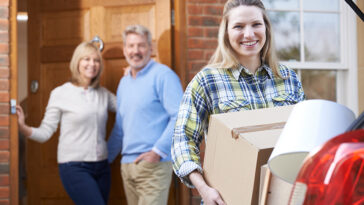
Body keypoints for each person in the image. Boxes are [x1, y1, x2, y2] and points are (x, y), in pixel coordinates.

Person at [171, 0, 305, 204]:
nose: (249, 34)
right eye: (239, 26)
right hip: (227, 199)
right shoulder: (207, 81)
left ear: (266, 28)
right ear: (226, 32)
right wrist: (204, 189)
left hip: (280, 196)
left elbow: (303, 137)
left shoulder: (288, 79)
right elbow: (183, 140)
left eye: (256, 24)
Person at [16, 42, 116, 205]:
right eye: (86, 59)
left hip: (102, 167)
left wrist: (132, 79)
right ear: (77, 62)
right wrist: (23, 127)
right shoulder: (60, 93)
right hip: (74, 167)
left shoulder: (103, 94)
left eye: (96, 60)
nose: (92, 64)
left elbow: (128, 110)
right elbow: (46, 132)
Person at [107, 24, 183, 205]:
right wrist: (105, 159)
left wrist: (157, 152)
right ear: (125, 50)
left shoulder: (163, 75)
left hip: (153, 166)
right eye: (131, 46)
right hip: (127, 166)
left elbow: (180, 116)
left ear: (150, 48)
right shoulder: (124, 83)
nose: (136, 51)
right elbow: (120, 127)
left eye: (141, 45)